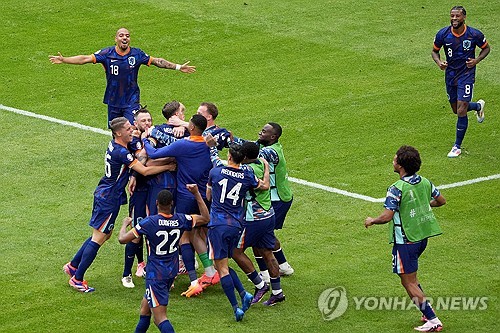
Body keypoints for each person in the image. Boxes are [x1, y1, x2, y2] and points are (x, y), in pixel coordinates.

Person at [62, 117, 175, 293]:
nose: (132, 131)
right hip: (109, 198)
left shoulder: (117, 146)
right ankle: (77, 278)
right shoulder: (121, 153)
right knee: (99, 237)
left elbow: (138, 155)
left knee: (103, 235)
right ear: (119, 133)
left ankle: (74, 265)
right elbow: (144, 170)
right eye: (129, 129)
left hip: (106, 193)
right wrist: (168, 166)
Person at [364, 145, 446, 332]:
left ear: (400, 166)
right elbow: (441, 201)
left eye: (394, 160)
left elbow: (387, 216)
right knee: (412, 277)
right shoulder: (425, 182)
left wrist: (372, 220)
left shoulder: (396, 188)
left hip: (405, 240)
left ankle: (433, 320)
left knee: (407, 281)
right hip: (421, 238)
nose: (392, 162)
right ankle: (426, 312)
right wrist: (424, 205)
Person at [49, 28, 196, 126]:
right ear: (116, 39)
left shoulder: (137, 54)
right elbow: (85, 59)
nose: (125, 38)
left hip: (131, 100)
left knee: (135, 127)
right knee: (116, 130)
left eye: (127, 35)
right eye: (121, 35)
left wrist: (178, 67)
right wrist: (65, 60)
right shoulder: (107, 54)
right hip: (113, 100)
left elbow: (158, 61)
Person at [143, 114, 218, 297]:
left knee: (184, 237)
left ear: (191, 127)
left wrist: (146, 140)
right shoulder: (208, 145)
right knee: (195, 234)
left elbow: (153, 154)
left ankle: (193, 281)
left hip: (186, 195)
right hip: (204, 197)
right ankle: (210, 273)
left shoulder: (183, 145)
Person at [118, 185, 210, 333]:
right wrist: (197, 194)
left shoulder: (149, 223)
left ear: (156, 203)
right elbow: (206, 218)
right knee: (145, 309)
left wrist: (124, 224)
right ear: (171, 204)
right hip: (171, 271)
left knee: (159, 318)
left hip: (156, 274)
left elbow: (122, 239)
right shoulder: (181, 219)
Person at [206, 143, 269, 321]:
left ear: (229, 157)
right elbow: (264, 186)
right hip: (236, 225)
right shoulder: (247, 175)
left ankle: (236, 308)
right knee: (224, 263)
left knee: (222, 268)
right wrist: (265, 167)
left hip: (218, 225)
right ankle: (243, 293)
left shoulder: (216, 172)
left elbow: (209, 196)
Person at [431, 6, 490, 158]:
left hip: (466, 74)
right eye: (452, 16)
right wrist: (439, 63)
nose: (454, 19)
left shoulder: (474, 34)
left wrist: (476, 60)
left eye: (457, 16)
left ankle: (457, 146)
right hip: (451, 74)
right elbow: (434, 51)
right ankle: (478, 106)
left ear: (464, 17)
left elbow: (486, 48)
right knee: (455, 109)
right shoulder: (443, 34)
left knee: (461, 110)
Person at [255, 123, 294, 282]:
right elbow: (251, 146)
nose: (260, 132)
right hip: (277, 198)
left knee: (257, 236)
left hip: (276, 200)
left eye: (263, 132)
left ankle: (265, 273)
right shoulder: (270, 146)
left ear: (273, 137)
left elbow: (250, 153)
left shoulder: (270, 151)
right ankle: (283, 266)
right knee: (266, 234)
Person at [121, 107, 153, 288]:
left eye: (149, 120)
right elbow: (142, 158)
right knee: (137, 232)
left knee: (152, 229)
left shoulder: (153, 137)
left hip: (153, 190)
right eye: (143, 121)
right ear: (136, 124)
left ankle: (145, 265)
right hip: (139, 192)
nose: (147, 123)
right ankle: (126, 274)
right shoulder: (133, 141)